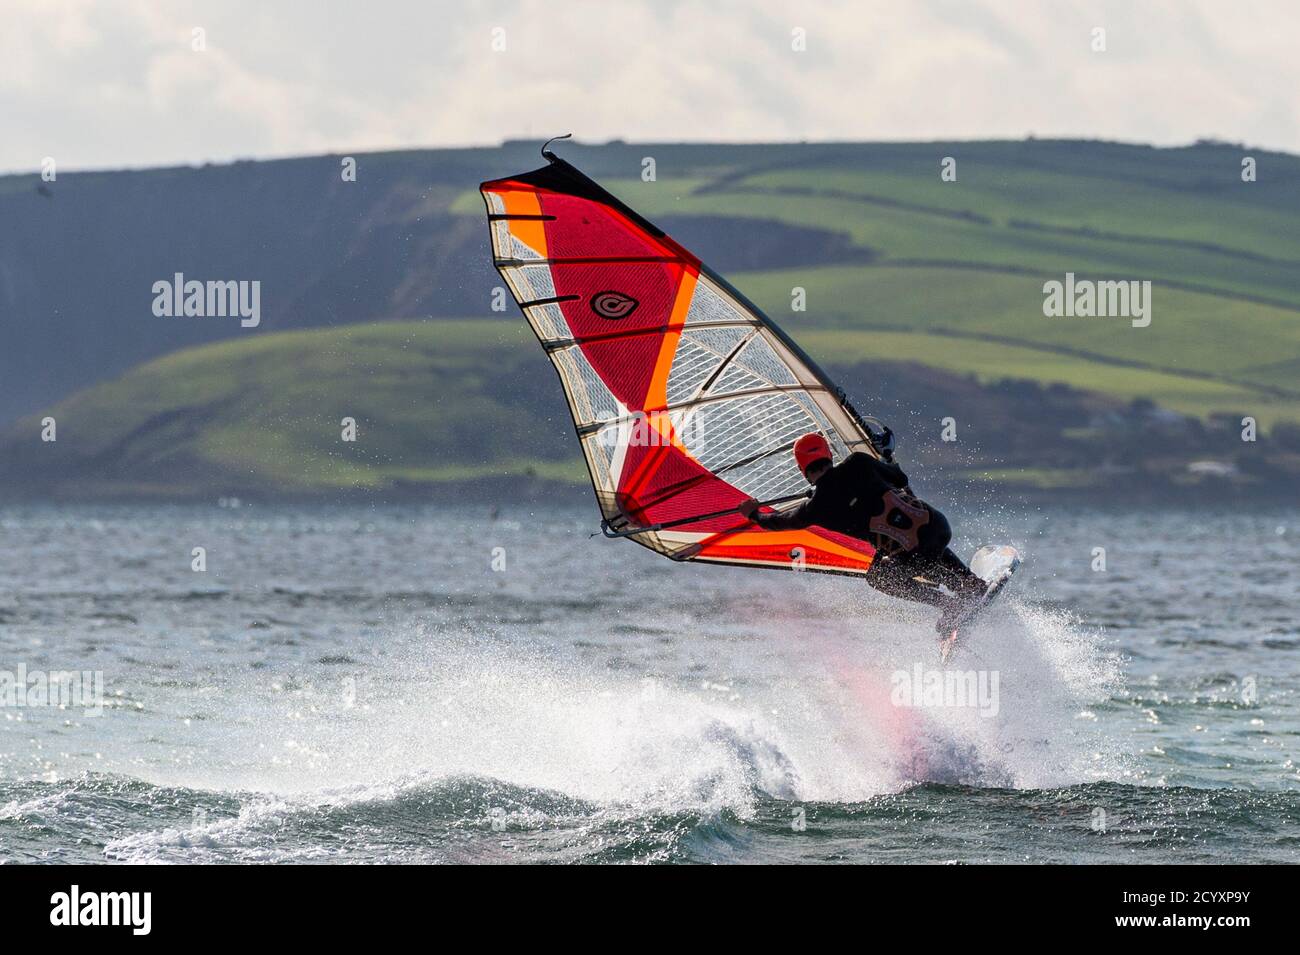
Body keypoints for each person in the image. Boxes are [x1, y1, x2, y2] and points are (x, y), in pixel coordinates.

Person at [736, 432, 987, 639]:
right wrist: (885, 458)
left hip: (914, 555)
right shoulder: (858, 462)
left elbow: (779, 522)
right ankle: (970, 582)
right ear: (829, 455)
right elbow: (899, 477)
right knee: (917, 536)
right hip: (940, 526)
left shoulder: (814, 509)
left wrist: (754, 514)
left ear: (803, 469)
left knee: (880, 575)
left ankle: (949, 604)